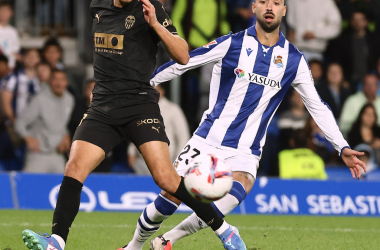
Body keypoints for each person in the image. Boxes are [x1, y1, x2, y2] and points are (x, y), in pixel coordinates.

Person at [127, 1, 367, 249]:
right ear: (254, 7)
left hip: (246, 149)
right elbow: (185, 60)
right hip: (208, 139)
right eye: (263, 2)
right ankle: (134, 245)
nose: (269, 7)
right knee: (168, 199)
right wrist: (146, 84)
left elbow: (316, 105)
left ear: (285, 10)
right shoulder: (232, 43)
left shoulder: (293, 60)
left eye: (276, 3)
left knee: (237, 190)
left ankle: (169, 239)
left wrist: (342, 146)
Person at [21, 1, 246, 250]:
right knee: (74, 168)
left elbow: (183, 55)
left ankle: (224, 230)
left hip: (139, 105)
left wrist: (156, 25)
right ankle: (56, 242)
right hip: (103, 108)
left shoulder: (150, 8)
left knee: (167, 179)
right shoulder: (98, 5)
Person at [15, 69, 74, 173]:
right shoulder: (39, 99)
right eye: (55, 79)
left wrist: (66, 135)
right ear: (49, 81)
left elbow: (61, 124)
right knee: (29, 186)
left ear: (67, 82)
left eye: (62, 79)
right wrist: (27, 137)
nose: (59, 83)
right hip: (39, 154)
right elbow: (20, 122)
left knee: (64, 186)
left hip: (57, 154)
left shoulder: (69, 99)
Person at [128, 84, 190, 175]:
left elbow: (183, 137)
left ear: (162, 91)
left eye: (156, 90)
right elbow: (135, 133)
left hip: (168, 162)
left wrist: (178, 162)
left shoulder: (173, 109)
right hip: (142, 163)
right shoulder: (141, 109)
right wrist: (131, 153)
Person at [327, 11, 380, 90]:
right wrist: (343, 80)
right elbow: (338, 61)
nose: (357, 23)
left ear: (366, 22)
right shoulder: (343, 40)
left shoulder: (374, 40)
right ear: (351, 22)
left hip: (370, 79)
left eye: (360, 20)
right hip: (350, 81)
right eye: (354, 20)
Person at [0, 0, 20, 69]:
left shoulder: (13, 31)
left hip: (10, 67)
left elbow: (15, 51)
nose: (3, 13)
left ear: (11, 13)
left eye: (6, 11)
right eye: (1, 11)